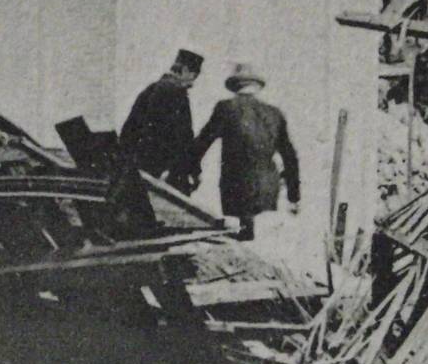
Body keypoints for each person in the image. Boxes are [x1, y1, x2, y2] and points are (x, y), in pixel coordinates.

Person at [189, 63, 299, 241]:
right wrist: (294, 196)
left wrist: (191, 171)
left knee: (241, 237)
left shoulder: (226, 108)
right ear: (257, 86)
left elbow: (202, 143)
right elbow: (290, 156)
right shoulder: (274, 114)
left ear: (235, 86)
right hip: (268, 189)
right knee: (260, 239)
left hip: (237, 187)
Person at [119, 48, 203, 194]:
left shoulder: (151, 89)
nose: (192, 83)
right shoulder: (177, 94)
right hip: (157, 171)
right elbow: (183, 138)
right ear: (186, 71)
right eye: (193, 76)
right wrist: (194, 171)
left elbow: (129, 130)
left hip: (136, 165)